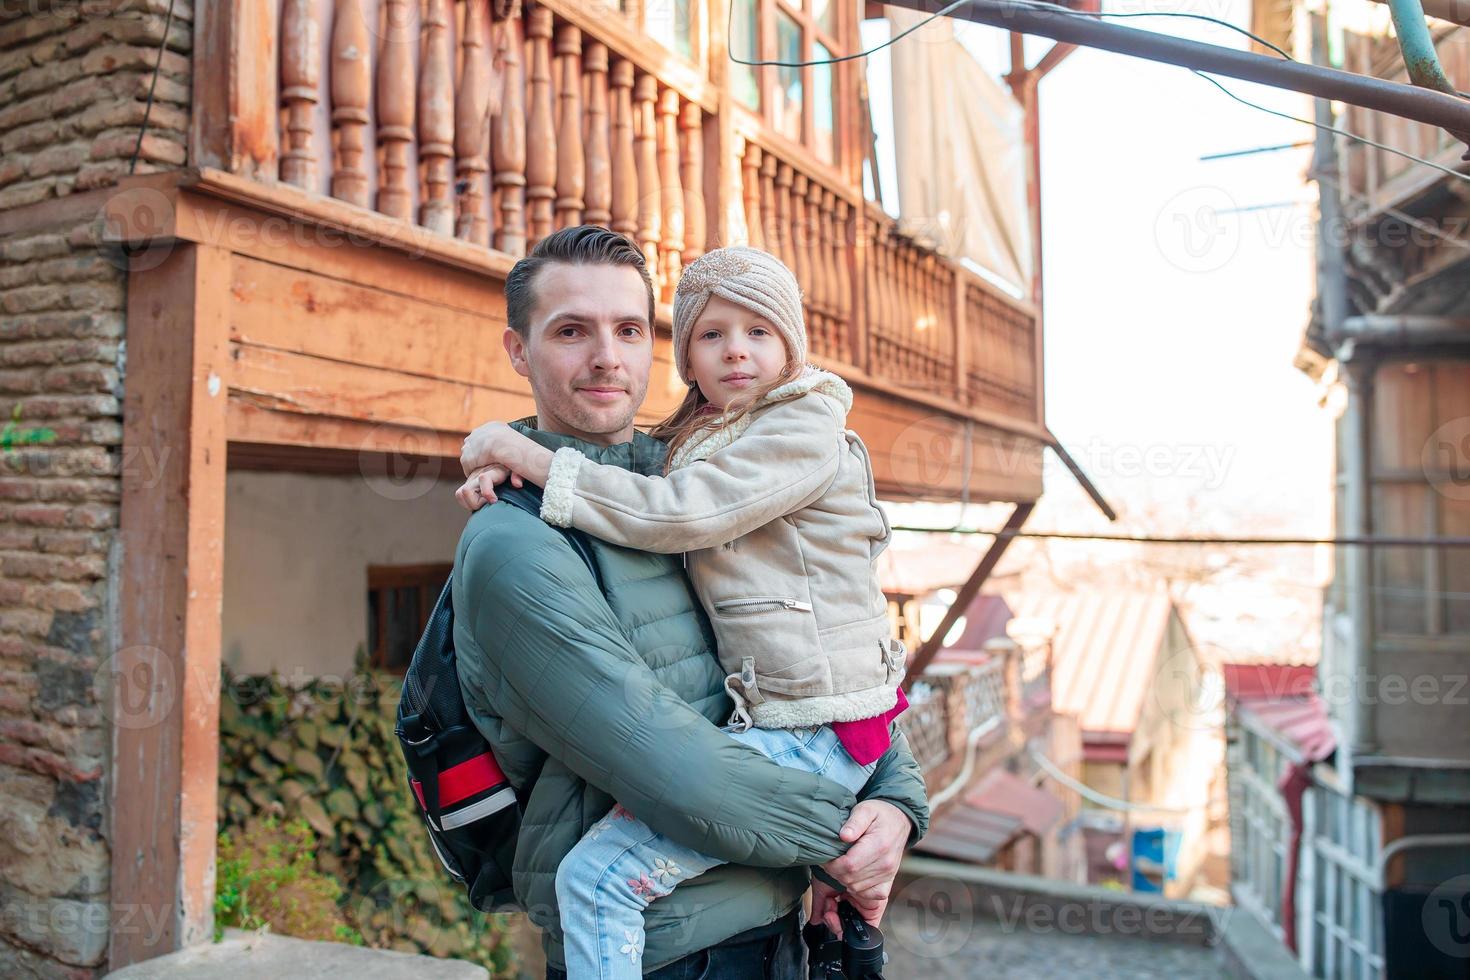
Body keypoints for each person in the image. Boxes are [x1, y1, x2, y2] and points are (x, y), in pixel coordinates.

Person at [450, 226, 929, 979]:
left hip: (772, 932)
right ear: (519, 351)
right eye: (571, 331)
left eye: (629, 330)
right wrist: (846, 845)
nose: (607, 357)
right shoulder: (515, 545)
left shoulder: (686, 477)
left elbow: (828, 666)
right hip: (663, 951)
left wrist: (897, 808)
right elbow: (679, 774)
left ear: (653, 347)